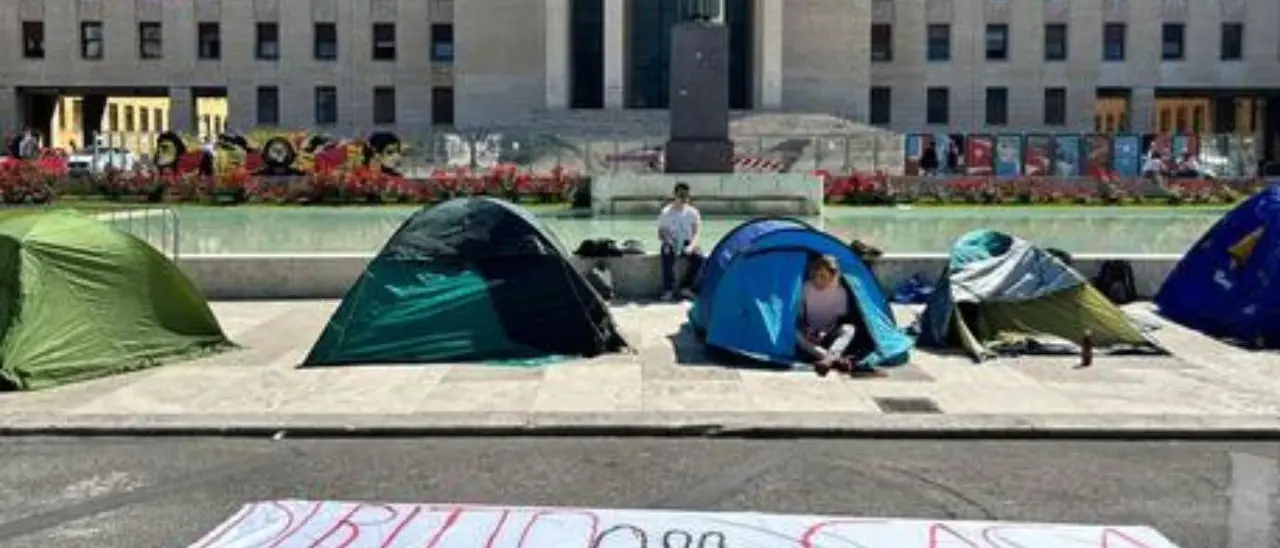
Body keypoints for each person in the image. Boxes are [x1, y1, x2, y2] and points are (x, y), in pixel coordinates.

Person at [796, 255, 884, 378]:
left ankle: (828, 360)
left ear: (832, 276)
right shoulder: (806, 287)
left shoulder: (840, 292)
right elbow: (799, 315)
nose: (818, 280)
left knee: (849, 328)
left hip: (827, 333)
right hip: (810, 335)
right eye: (815, 275)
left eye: (823, 276)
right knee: (796, 335)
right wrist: (807, 330)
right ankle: (833, 360)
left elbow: (837, 319)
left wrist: (824, 332)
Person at [657, 181, 704, 301]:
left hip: (687, 242)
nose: (683, 198)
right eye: (681, 195)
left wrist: (691, 246)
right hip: (671, 241)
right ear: (675, 195)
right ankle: (668, 289)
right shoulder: (666, 212)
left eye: (686, 196)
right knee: (667, 255)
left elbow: (697, 232)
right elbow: (661, 233)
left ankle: (686, 287)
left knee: (699, 259)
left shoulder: (693, 212)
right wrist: (669, 242)